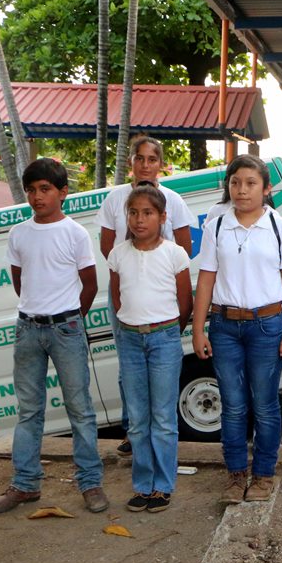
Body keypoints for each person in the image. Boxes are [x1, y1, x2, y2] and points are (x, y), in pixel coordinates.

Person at [0, 158, 107, 515]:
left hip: (65, 329)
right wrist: (37, 310)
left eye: (45, 189)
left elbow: (90, 284)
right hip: (27, 329)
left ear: (62, 193)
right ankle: (25, 484)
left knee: (80, 410)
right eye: (31, 190)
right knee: (29, 411)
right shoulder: (19, 234)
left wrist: (69, 319)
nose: (37, 196)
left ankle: (90, 483)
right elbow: (19, 279)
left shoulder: (75, 233)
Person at [192, 155, 282, 505]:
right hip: (224, 327)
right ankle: (236, 473)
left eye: (251, 183)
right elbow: (206, 280)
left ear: (266, 188)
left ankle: (264, 473)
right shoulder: (217, 226)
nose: (242, 190)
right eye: (236, 182)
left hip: (268, 326)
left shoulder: (279, 228)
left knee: (266, 404)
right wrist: (198, 330)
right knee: (234, 405)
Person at [95, 136, 194, 457]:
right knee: (128, 368)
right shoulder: (115, 199)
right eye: (140, 158)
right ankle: (132, 431)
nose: (146, 165)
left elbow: (185, 248)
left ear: (161, 165)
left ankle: (159, 438)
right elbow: (107, 245)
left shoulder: (173, 201)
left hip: (162, 297)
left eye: (152, 159)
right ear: (131, 163)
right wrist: (129, 272)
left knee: (162, 368)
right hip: (125, 290)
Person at [108, 184, 193, 513]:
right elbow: (117, 298)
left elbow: (184, 300)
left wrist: (170, 328)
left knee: (163, 417)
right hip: (130, 340)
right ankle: (142, 484)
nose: (139, 220)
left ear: (162, 217)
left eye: (147, 213)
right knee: (138, 420)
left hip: (164, 340)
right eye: (133, 213)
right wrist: (130, 322)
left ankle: (163, 485)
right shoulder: (118, 255)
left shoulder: (174, 254)